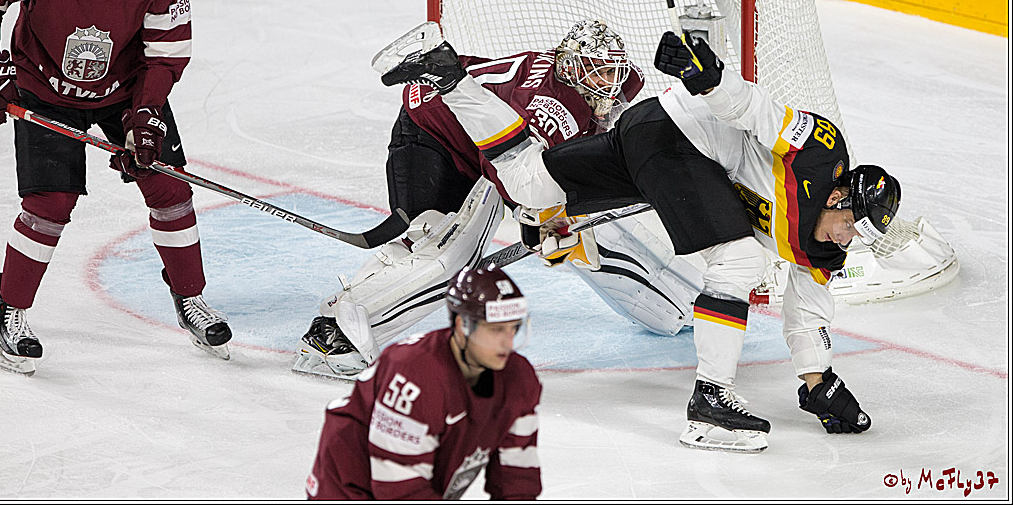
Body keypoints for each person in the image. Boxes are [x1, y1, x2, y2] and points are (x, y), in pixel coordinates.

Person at [378, 27, 901, 453]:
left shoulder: (823, 250)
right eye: (854, 223)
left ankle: (450, 77)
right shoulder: (818, 149)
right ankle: (711, 403)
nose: (849, 238)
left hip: (650, 139)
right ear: (839, 197)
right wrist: (713, 80)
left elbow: (806, 315)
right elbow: (755, 111)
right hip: (676, 132)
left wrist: (820, 386)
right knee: (739, 255)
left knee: (534, 185)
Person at [293, 20, 704, 379]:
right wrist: (537, 220)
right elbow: (511, 169)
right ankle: (336, 335)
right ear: (570, 67)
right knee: (447, 257)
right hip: (433, 139)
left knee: (567, 231)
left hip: (469, 137)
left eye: (610, 70)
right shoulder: (551, 107)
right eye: (596, 73)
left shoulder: (596, 78)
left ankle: (675, 305)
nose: (608, 82)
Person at [0, 0, 232, 374]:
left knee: (169, 187)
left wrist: (145, 117)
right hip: (43, 88)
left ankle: (190, 297)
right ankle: (6, 309)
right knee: (49, 204)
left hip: (125, 90)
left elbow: (166, 53)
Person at [305, 264, 542, 500]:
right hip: (348, 484)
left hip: (422, 478)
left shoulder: (519, 380)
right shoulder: (414, 376)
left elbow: (518, 481)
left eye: (514, 329)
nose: (507, 343)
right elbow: (398, 490)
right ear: (462, 326)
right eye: (495, 330)